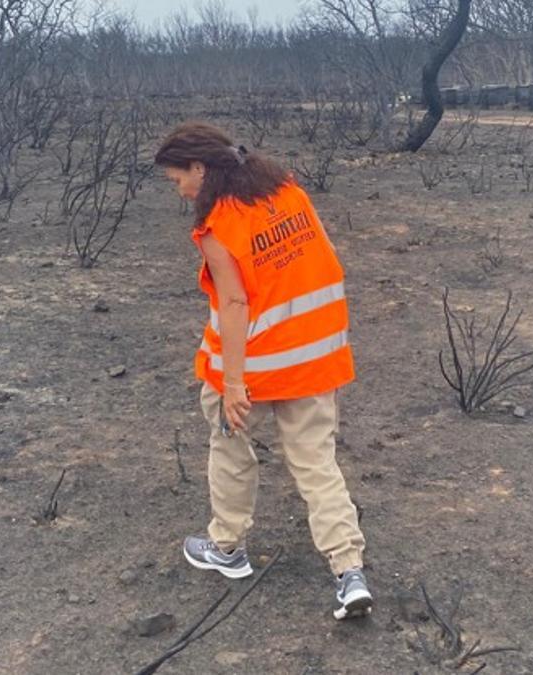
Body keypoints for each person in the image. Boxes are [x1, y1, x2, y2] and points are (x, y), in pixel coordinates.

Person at [155, 122, 372, 620]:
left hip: (251, 366)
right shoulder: (288, 191)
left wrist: (233, 384)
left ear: (200, 168)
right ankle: (349, 570)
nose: (180, 190)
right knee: (317, 464)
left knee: (230, 447)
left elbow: (233, 303)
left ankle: (227, 547)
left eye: (178, 179)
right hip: (314, 359)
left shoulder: (217, 226)